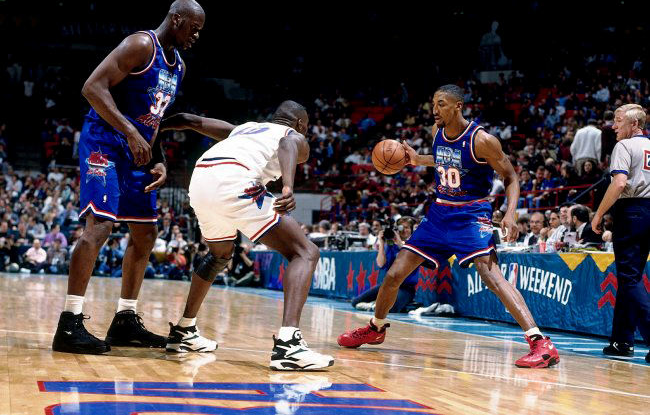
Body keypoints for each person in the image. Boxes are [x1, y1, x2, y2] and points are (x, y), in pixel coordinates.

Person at [337, 85, 559, 368]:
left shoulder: (482, 140)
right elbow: (444, 159)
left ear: (458, 106)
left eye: (441, 104)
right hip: (440, 213)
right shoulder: (436, 133)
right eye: (433, 104)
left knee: (491, 276)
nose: (434, 110)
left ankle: (540, 343)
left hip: (471, 214)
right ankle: (375, 328)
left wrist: (511, 213)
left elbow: (511, 176)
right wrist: (417, 160)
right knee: (394, 273)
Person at [52, 0, 205, 354]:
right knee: (100, 227)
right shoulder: (141, 45)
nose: (196, 36)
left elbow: (151, 121)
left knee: (146, 232)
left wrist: (160, 158)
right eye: (193, 28)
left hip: (137, 151)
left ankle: (124, 321)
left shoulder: (178, 65)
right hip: (104, 142)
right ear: (176, 18)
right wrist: (129, 132)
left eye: (200, 32)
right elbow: (92, 87)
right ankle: (69, 323)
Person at [160, 100, 334, 371]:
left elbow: (188, 119)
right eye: (306, 127)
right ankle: (289, 345)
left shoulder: (245, 129)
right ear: (300, 124)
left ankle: (184, 331)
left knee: (219, 256)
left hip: (201, 181)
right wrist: (288, 186)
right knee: (305, 252)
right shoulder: (293, 135)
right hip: (235, 181)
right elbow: (288, 144)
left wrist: (150, 128)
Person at [591, 104, 650, 361]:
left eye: (617, 121)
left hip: (632, 211)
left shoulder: (625, 146)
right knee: (632, 276)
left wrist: (598, 212)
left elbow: (620, 183)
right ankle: (622, 340)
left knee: (629, 277)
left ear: (634, 124)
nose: (613, 127)